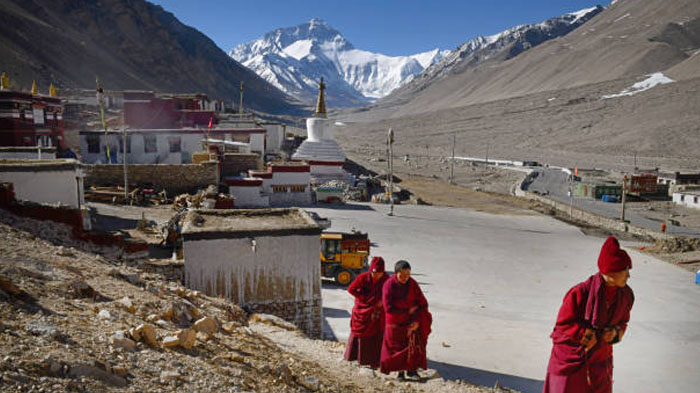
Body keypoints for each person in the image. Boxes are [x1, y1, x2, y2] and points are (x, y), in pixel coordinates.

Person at [543, 236, 634, 393]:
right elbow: (562, 325)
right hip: (573, 360)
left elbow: (623, 322)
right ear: (611, 270)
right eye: (625, 270)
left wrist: (615, 333)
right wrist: (585, 335)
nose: (628, 275)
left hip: (600, 360)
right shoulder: (580, 293)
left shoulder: (626, 295)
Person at [380, 260, 432, 381]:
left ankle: (411, 370)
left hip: (411, 322)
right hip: (395, 323)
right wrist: (407, 311)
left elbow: (422, 303)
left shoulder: (412, 283)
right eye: (402, 275)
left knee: (412, 346)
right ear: (395, 273)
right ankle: (400, 373)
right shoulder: (389, 285)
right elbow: (388, 308)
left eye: (408, 275)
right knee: (397, 348)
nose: (405, 278)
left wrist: (417, 321)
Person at [344, 256, 389, 369]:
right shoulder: (363, 278)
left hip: (377, 313)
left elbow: (390, 293)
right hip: (362, 310)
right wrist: (364, 298)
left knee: (376, 334)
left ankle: (374, 361)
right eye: (374, 273)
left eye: (379, 273)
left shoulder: (386, 279)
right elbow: (351, 289)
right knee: (359, 333)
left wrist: (382, 302)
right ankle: (357, 357)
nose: (376, 275)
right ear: (370, 270)